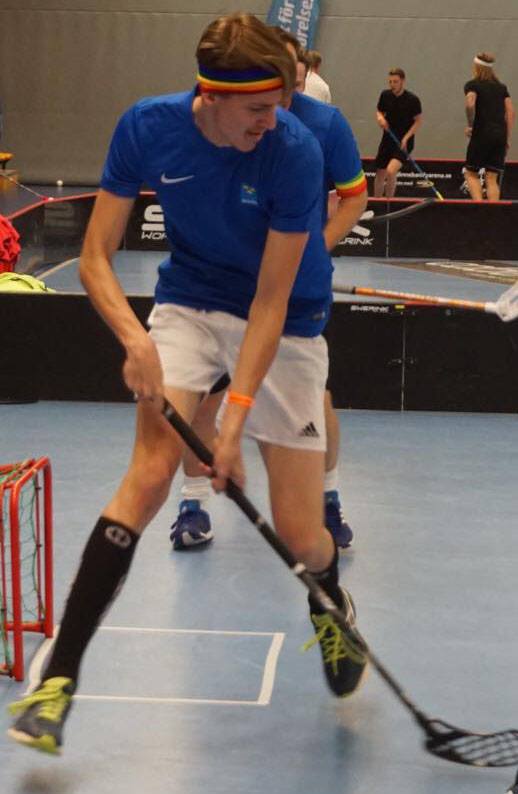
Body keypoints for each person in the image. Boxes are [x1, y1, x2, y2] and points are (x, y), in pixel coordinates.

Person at [7, 12, 367, 754]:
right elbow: (96, 258)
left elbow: (271, 300)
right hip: (191, 301)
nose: (273, 121)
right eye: (258, 109)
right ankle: (58, 679)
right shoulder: (148, 127)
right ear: (213, 95)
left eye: (281, 107)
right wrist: (134, 338)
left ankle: (331, 601)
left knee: (302, 536)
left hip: (287, 317)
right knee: (148, 477)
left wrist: (232, 422)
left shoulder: (293, 149)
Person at [170, 30, 368, 553]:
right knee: (205, 402)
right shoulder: (223, 122)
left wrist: (314, 248)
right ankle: (193, 503)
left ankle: (327, 498)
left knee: (315, 401)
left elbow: (355, 198)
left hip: (294, 291)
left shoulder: (325, 125)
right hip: (225, 286)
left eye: (291, 84)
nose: (278, 99)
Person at [464, 52, 514, 201]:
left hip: (482, 133)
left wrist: (471, 125)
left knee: (471, 173)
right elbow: (511, 112)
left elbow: (470, 104)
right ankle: (492, 212)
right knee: (492, 178)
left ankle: (480, 209)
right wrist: (506, 138)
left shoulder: (472, 85)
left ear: (476, 68)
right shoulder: (501, 88)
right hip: (500, 135)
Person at [373, 68, 422, 198]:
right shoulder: (385, 95)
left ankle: (389, 202)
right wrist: (380, 118)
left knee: (391, 171)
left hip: (404, 142)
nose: (392, 85)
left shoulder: (412, 100)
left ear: (402, 81)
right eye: (390, 82)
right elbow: (379, 111)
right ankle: (376, 202)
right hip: (388, 139)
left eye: (395, 82)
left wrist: (406, 138)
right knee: (380, 172)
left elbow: (418, 121)